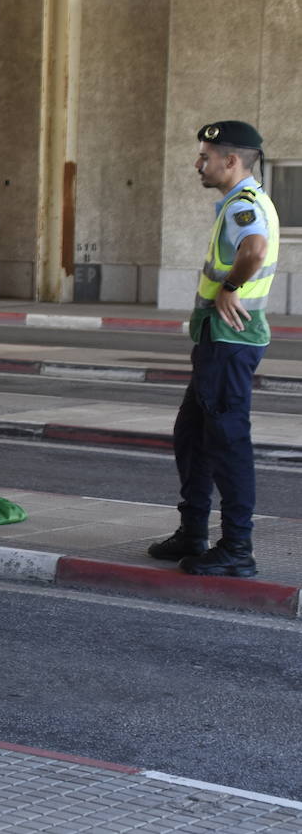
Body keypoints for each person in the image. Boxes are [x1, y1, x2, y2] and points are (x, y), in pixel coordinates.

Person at [148, 121, 279, 578]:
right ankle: (193, 531)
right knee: (192, 436)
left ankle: (237, 547)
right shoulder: (235, 204)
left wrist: (231, 286)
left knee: (227, 442)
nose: (198, 163)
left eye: (205, 156)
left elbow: (255, 249)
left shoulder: (246, 207)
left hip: (231, 340)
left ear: (231, 160)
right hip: (215, 340)